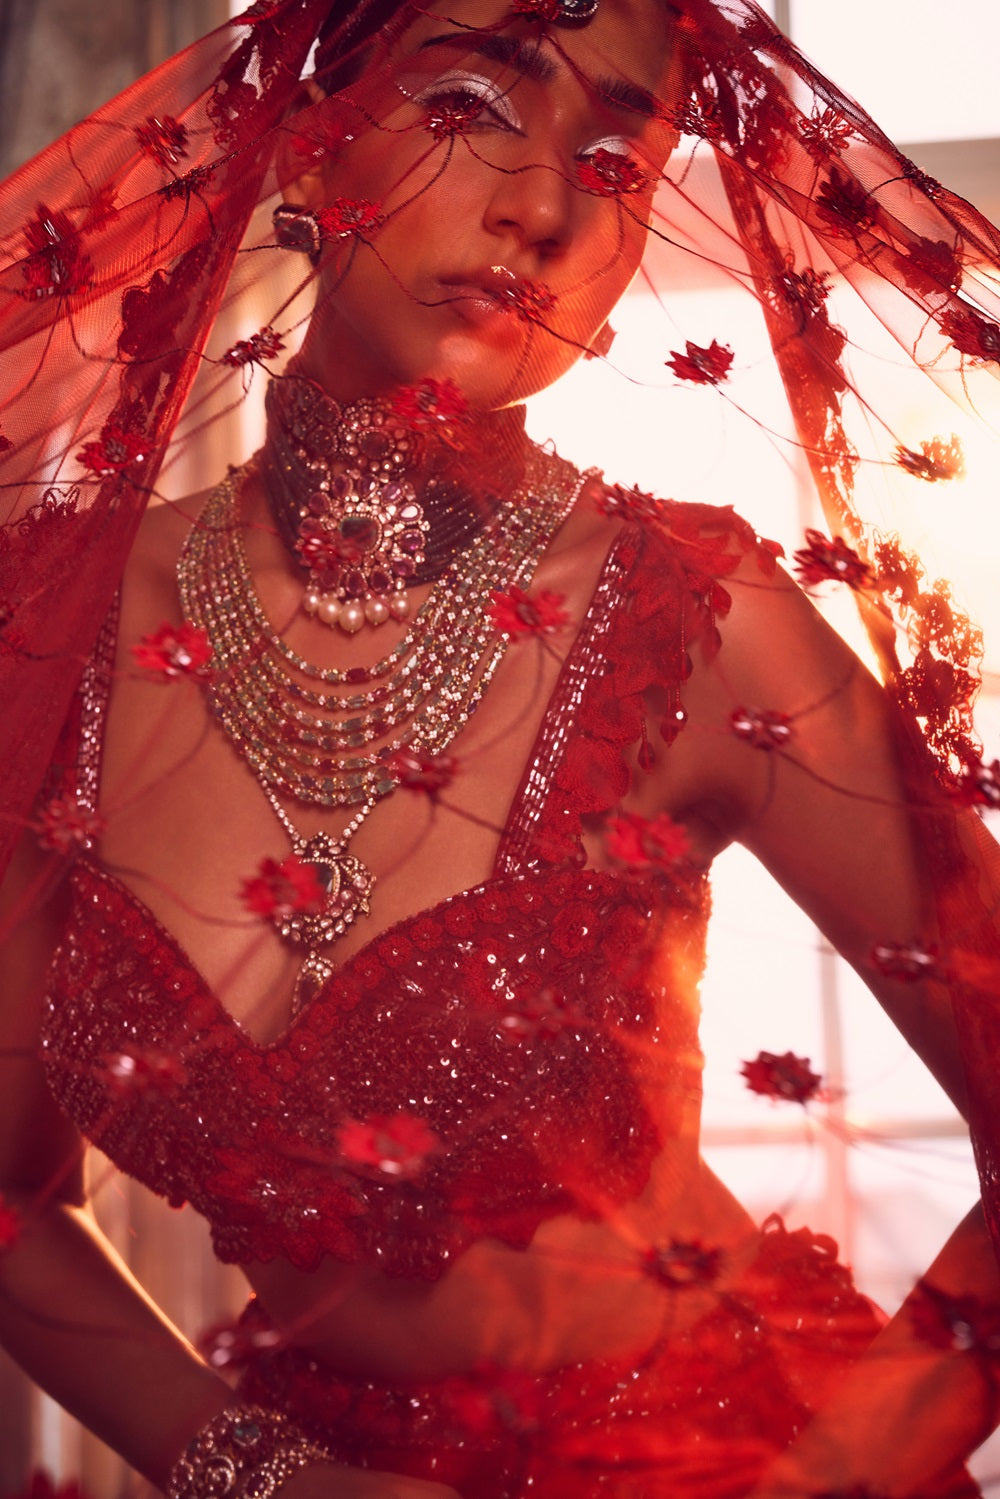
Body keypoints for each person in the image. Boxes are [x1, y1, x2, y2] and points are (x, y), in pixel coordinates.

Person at [2, 0, 1000, 1494]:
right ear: (300, 129)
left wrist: (817, 1491)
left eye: (614, 160)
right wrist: (256, 1478)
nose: (541, 205)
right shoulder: (55, 626)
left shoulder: (701, 624)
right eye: (472, 101)